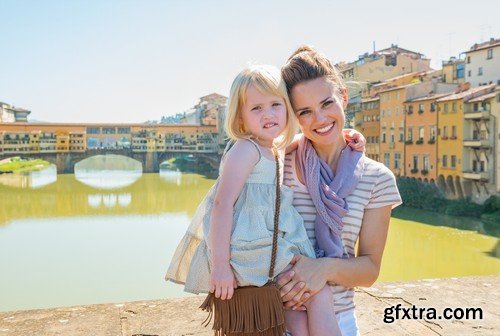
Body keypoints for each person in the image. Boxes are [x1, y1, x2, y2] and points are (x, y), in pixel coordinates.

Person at [166, 64, 365, 335]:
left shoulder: (272, 148)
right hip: (253, 252)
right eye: (256, 108)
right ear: (240, 119)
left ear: (287, 110)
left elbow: (306, 139)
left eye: (275, 105)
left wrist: (347, 135)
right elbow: (222, 206)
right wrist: (221, 266)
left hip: (267, 249)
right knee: (318, 295)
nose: (268, 114)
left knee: (296, 318)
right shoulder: (245, 150)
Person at [276, 46, 403, 336]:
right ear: (295, 117)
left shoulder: (378, 179)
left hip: (340, 323)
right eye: (305, 112)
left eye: (327, 103)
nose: (319, 119)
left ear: (343, 97)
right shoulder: (278, 163)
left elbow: (370, 269)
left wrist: (322, 269)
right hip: (277, 319)